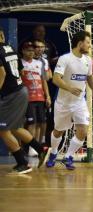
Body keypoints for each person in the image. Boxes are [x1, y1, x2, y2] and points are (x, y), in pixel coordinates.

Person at [45, 31, 93, 170]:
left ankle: (68, 156)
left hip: (79, 103)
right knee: (58, 132)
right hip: (63, 103)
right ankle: (54, 153)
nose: (89, 45)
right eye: (88, 42)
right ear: (80, 43)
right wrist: (69, 88)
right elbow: (56, 79)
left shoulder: (87, 60)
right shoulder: (65, 59)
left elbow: (89, 77)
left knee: (83, 130)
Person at [0, 26, 49, 173]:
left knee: (2, 129)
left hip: (12, 94)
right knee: (14, 127)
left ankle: (23, 162)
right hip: (21, 90)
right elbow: (20, 71)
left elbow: (1, 73)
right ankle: (41, 149)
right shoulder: (10, 48)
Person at [20, 41, 50, 156]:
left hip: (40, 97)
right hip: (27, 98)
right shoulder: (20, 63)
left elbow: (44, 80)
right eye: (28, 50)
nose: (31, 52)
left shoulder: (39, 63)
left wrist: (47, 96)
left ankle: (40, 143)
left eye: (32, 50)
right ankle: (30, 148)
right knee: (31, 123)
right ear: (23, 51)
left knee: (42, 122)